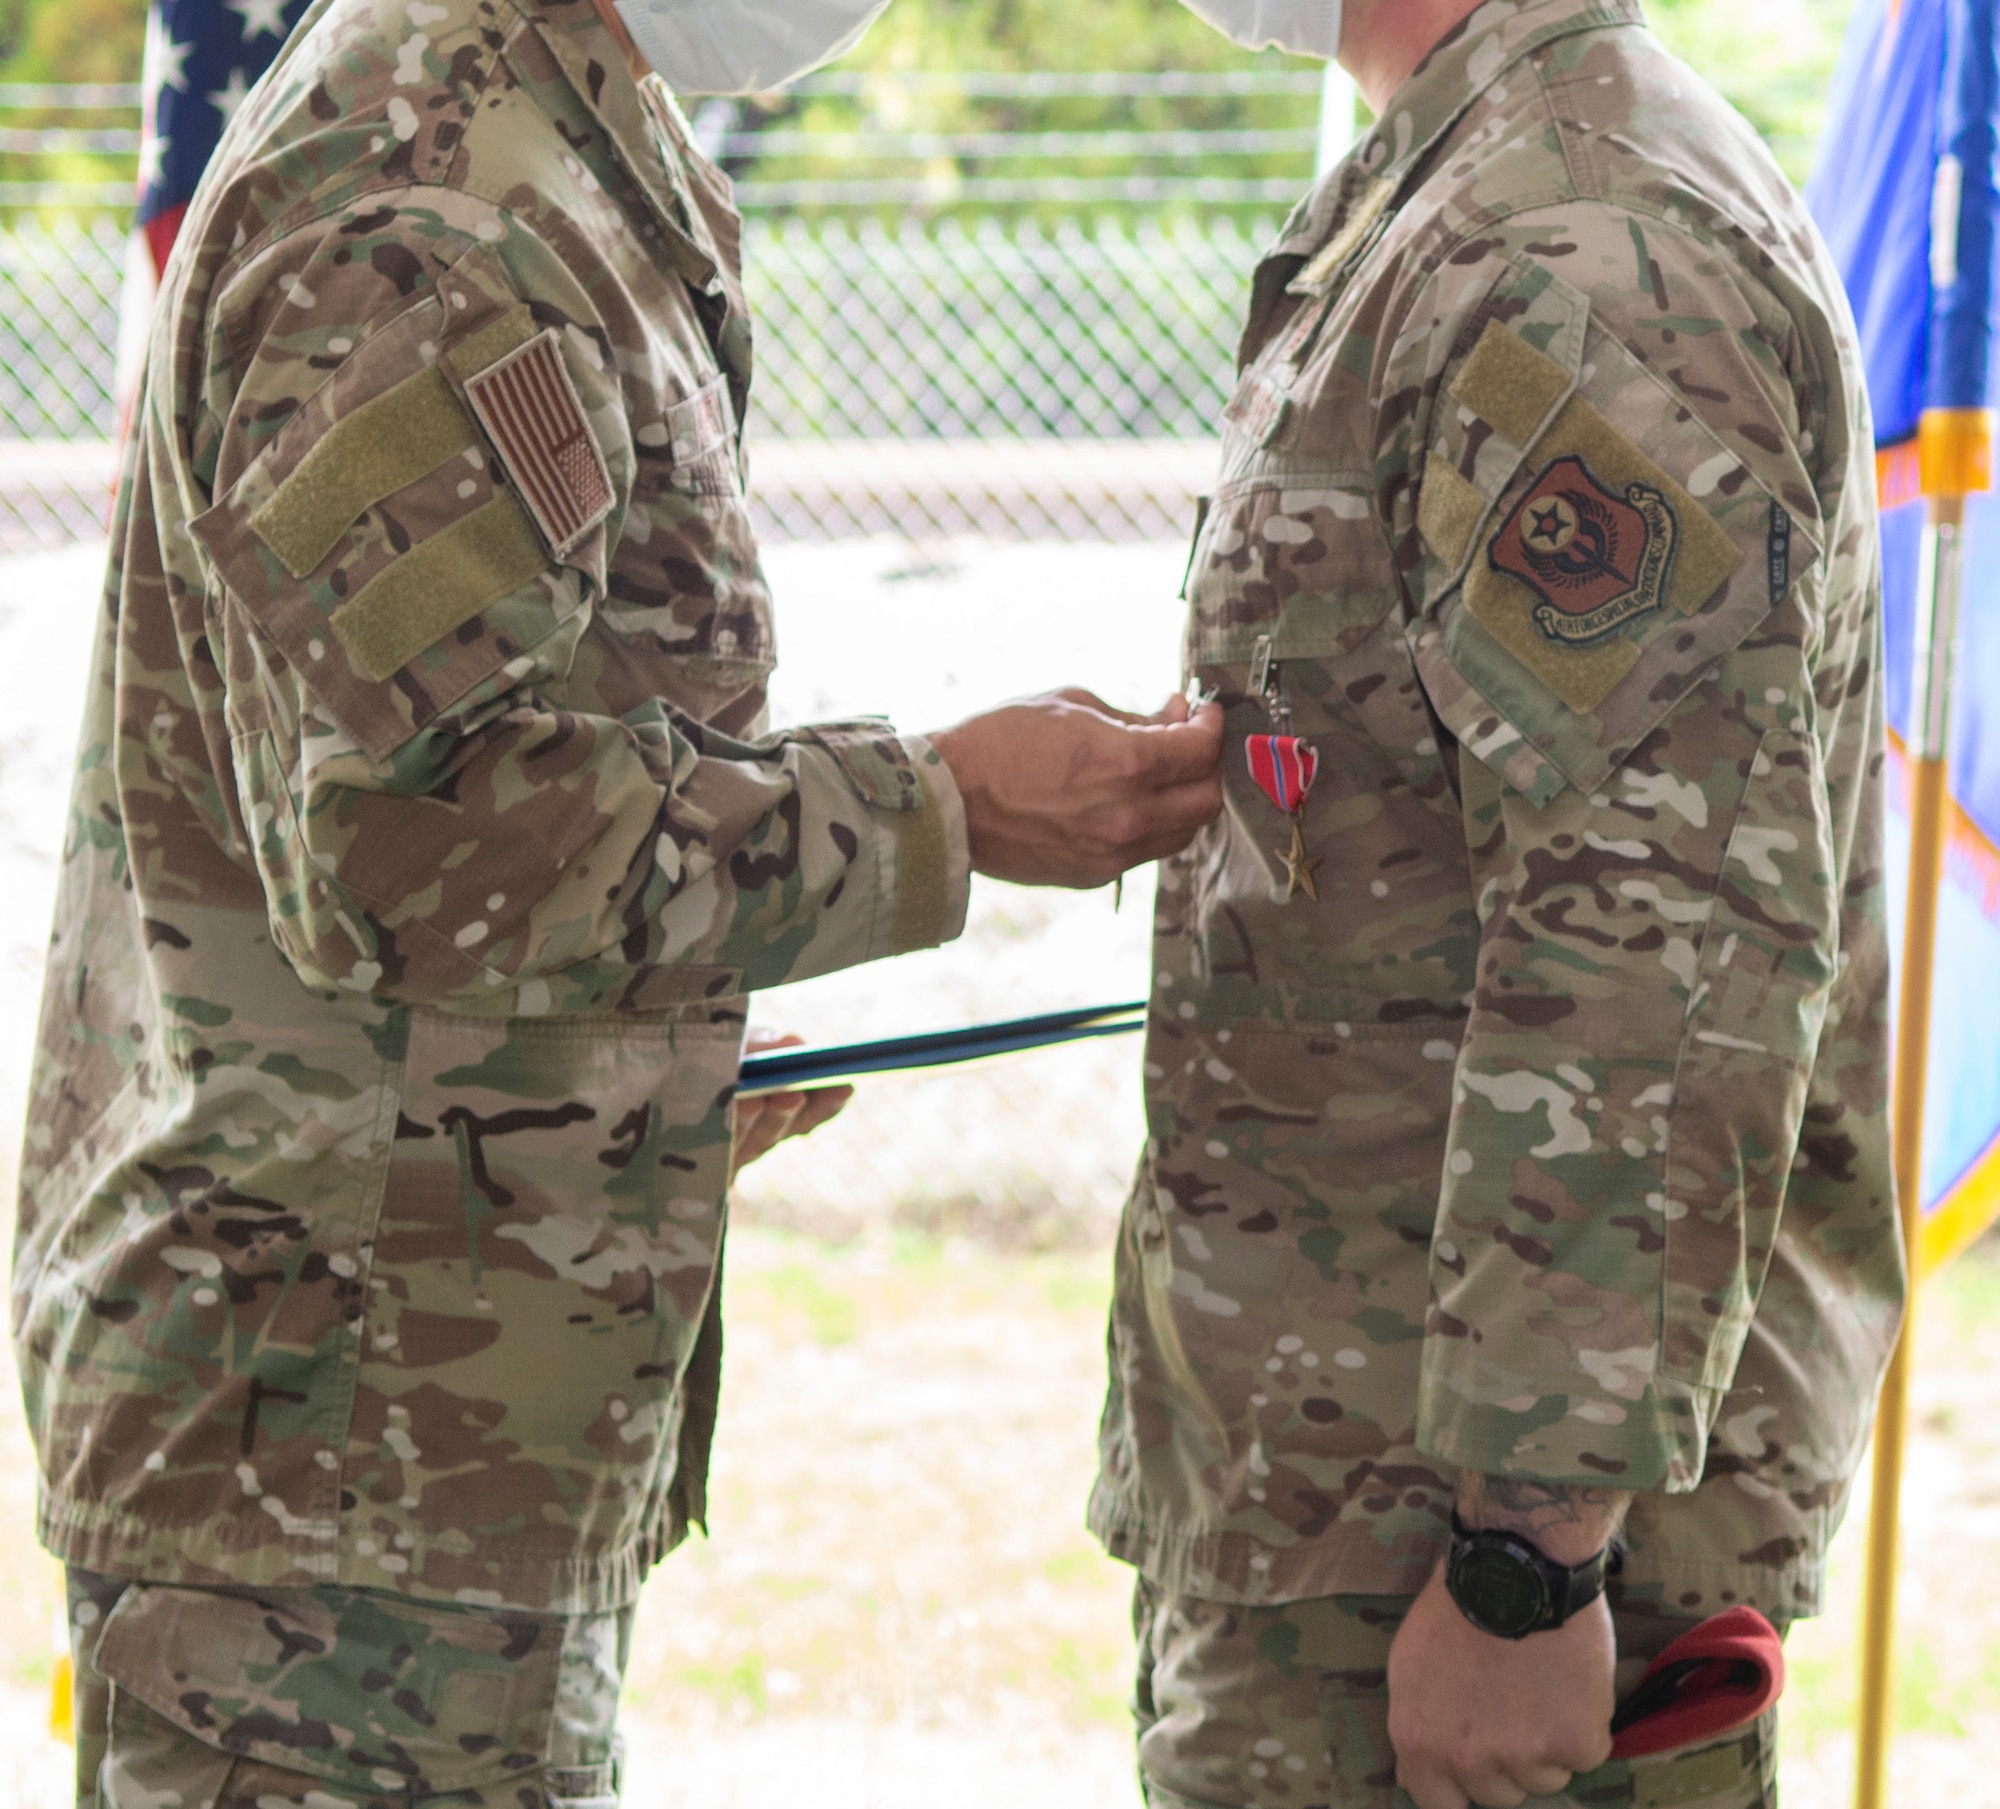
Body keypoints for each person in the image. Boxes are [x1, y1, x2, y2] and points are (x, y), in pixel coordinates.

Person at [13, 1, 1225, 1804]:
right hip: (333, 1480)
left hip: (418, 1431)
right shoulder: (421, 211)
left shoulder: (553, 134)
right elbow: (419, 841)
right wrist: (942, 809)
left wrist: (659, 1045)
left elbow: (508, 750)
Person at [1090, 1, 1901, 1806]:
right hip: (1347, 1518)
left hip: (1462, 1580)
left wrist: (1527, 1559)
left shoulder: (1579, 246)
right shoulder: (1467, 186)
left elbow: (1648, 945)